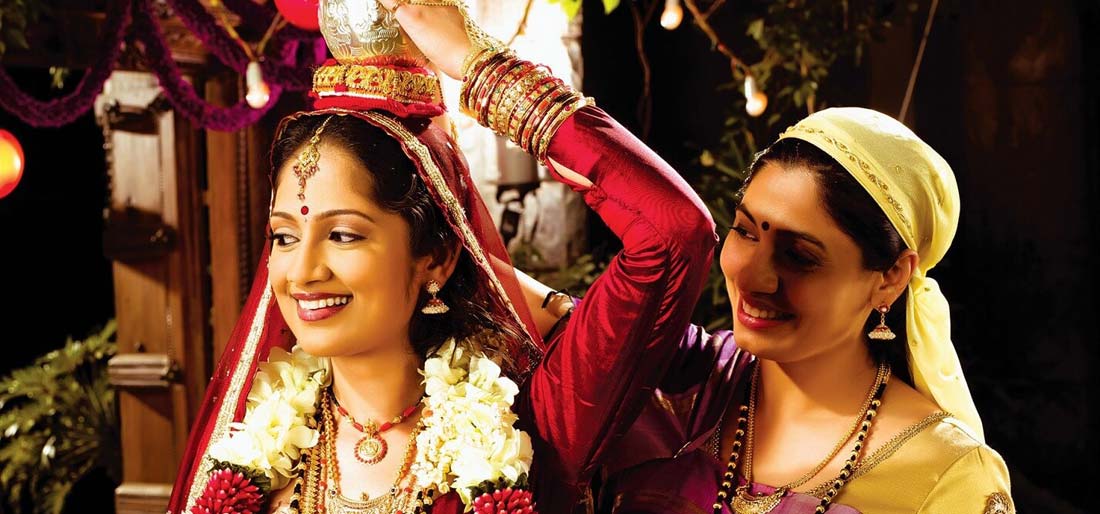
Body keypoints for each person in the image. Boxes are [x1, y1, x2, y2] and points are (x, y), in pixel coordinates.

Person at [166, 0, 716, 513]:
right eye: (284, 237)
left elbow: (672, 231)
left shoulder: (536, 424)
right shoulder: (251, 444)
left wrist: (484, 68)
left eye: (344, 236)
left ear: (436, 257)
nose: (303, 273)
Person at [586, 108, 1016, 514]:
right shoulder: (679, 381)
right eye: (745, 231)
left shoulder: (946, 476)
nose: (753, 277)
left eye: (800, 256)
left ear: (890, 277)